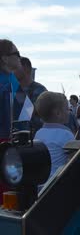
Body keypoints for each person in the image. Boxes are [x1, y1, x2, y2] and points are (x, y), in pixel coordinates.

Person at [0, 39, 22, 203]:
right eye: (17, 54)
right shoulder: (5, 82)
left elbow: (25, 110)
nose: (20, 58)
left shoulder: (13, 80)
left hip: (9, 141)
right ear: (4, 58)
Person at [34, 92, 74, 180]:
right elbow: (73, 160)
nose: (69, 112)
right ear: (58, 113)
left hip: (41, 182)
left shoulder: (38, 133)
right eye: (67, 109)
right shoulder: (66, 134)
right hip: (57, 183)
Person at [14, 57, 47, 135]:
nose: (11, 71)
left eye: (15, 68)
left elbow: (29, 113)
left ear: (25, 68)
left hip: (34, 139)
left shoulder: (40, 91)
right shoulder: (12, 90)